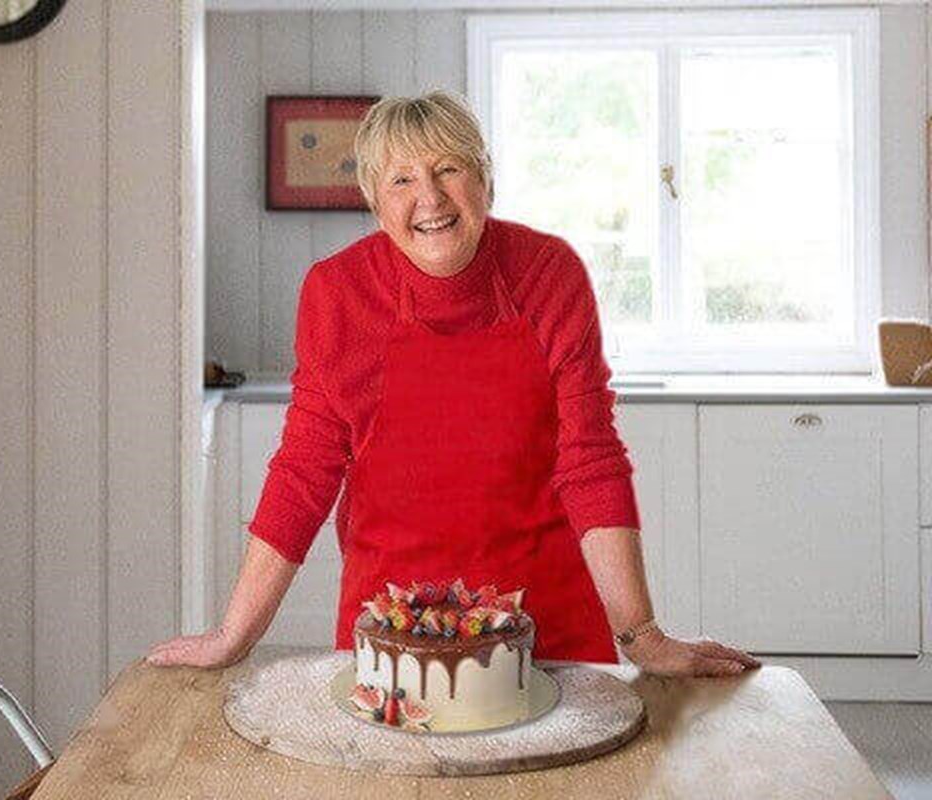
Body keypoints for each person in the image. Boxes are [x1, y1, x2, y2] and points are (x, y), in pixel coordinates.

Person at [148, 90, 759, 678]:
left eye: (448, 169)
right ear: (374, 201)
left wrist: (642, 634)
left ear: (485, 179)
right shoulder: (335, 293)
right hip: (393, 631)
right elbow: (305, 470)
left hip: (549, 628)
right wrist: (235, 634)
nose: (430, 197)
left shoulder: (551, 273)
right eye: (401, 180)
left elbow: (590, 460)